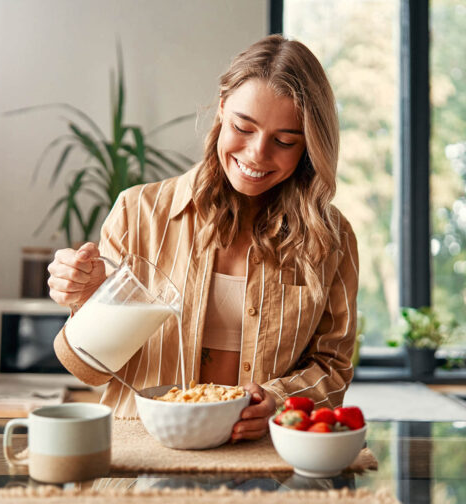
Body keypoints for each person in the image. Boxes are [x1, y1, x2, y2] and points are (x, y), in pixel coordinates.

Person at [48, 34, 359, 442]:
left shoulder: (330, 238)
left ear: (309, 147)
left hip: (258, 460)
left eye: (284, 141)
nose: (256, 154)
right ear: (222, 106)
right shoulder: (137, 212)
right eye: (243, 127)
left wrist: (277, 398)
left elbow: (333, 366)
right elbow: (86, 369)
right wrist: (90, 302)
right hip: (140, 450)